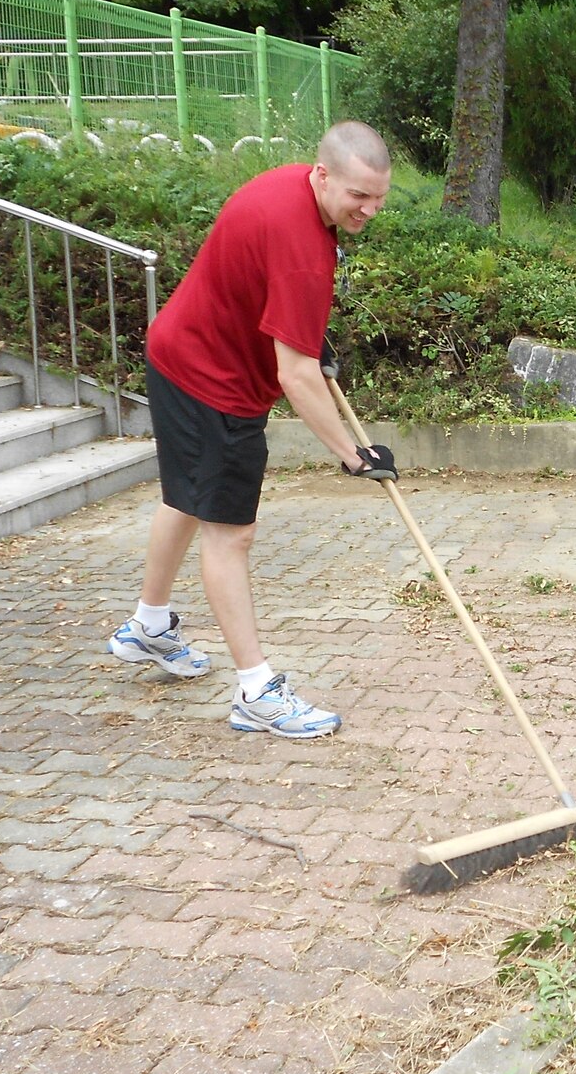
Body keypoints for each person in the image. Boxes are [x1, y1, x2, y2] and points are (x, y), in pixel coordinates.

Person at [105, 121, 398, 738]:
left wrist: (305, 330)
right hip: (215, 385)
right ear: (323, 175)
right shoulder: (304, 253)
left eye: (379, 197)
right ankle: (256, 692)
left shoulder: (286, 189)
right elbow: (295, 375)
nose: (369, 210)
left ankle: (148, 627)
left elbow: (259, 292)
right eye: (358, 197)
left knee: (186, 498)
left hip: (177, 352)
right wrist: (354, 454)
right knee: (231, 535)